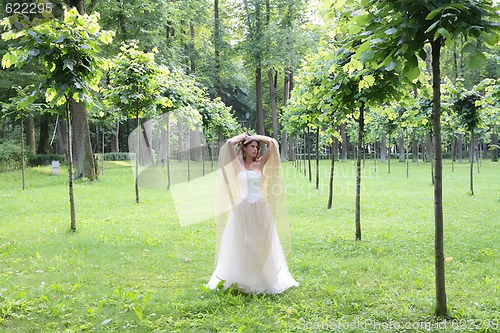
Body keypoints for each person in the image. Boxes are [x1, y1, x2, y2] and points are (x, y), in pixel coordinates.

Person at [207, 133, 299, 294]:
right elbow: (229, 144)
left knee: (261, 242)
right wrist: (243, 136)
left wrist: (257, 137)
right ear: (244, 148)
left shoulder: (260, 164)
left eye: (257, 147)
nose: (256, 149)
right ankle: (241, 277)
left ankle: (263, 277)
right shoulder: (237, 165)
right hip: (242, 208)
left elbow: (273, 144)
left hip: (260, 207)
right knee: (241, 242)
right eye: (252, 146)